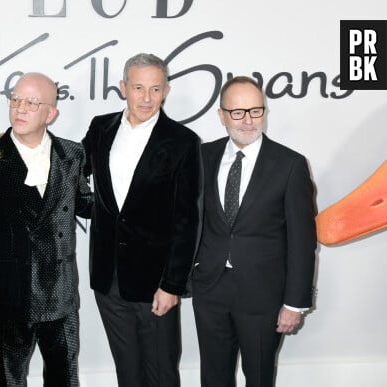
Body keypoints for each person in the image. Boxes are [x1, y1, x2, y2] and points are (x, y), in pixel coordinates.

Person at [82, 53, 204, 386]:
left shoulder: (183, 142)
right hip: (108, 278)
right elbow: (70, 173)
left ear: (165, 90)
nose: (146, 98)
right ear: (124, 88)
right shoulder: (100, 128)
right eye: (138, 88)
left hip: (156, 284)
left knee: (161, 372)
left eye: (154, 89)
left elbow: (187, 220)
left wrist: (172, 284)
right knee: (127, 372)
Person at [191, 76, 317, 387]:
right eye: (237, 112)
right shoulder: (201, 158)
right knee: (213, 378)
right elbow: (187, 222)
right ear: (221, 115)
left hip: (264, 296)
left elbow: (303, 241)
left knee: (259, 377)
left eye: (256, 111)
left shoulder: (290, 165)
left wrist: (295, 302)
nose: (248, 121)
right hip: (210, 291)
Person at [0, 72, 93, 387]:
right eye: (15, 99)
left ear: (51, 113)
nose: (19, 108)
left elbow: (85, 204)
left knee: (64, 380)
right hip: (8, 294)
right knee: (10, 381)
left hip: (60, 294)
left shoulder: (72, 154)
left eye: (32, 102)